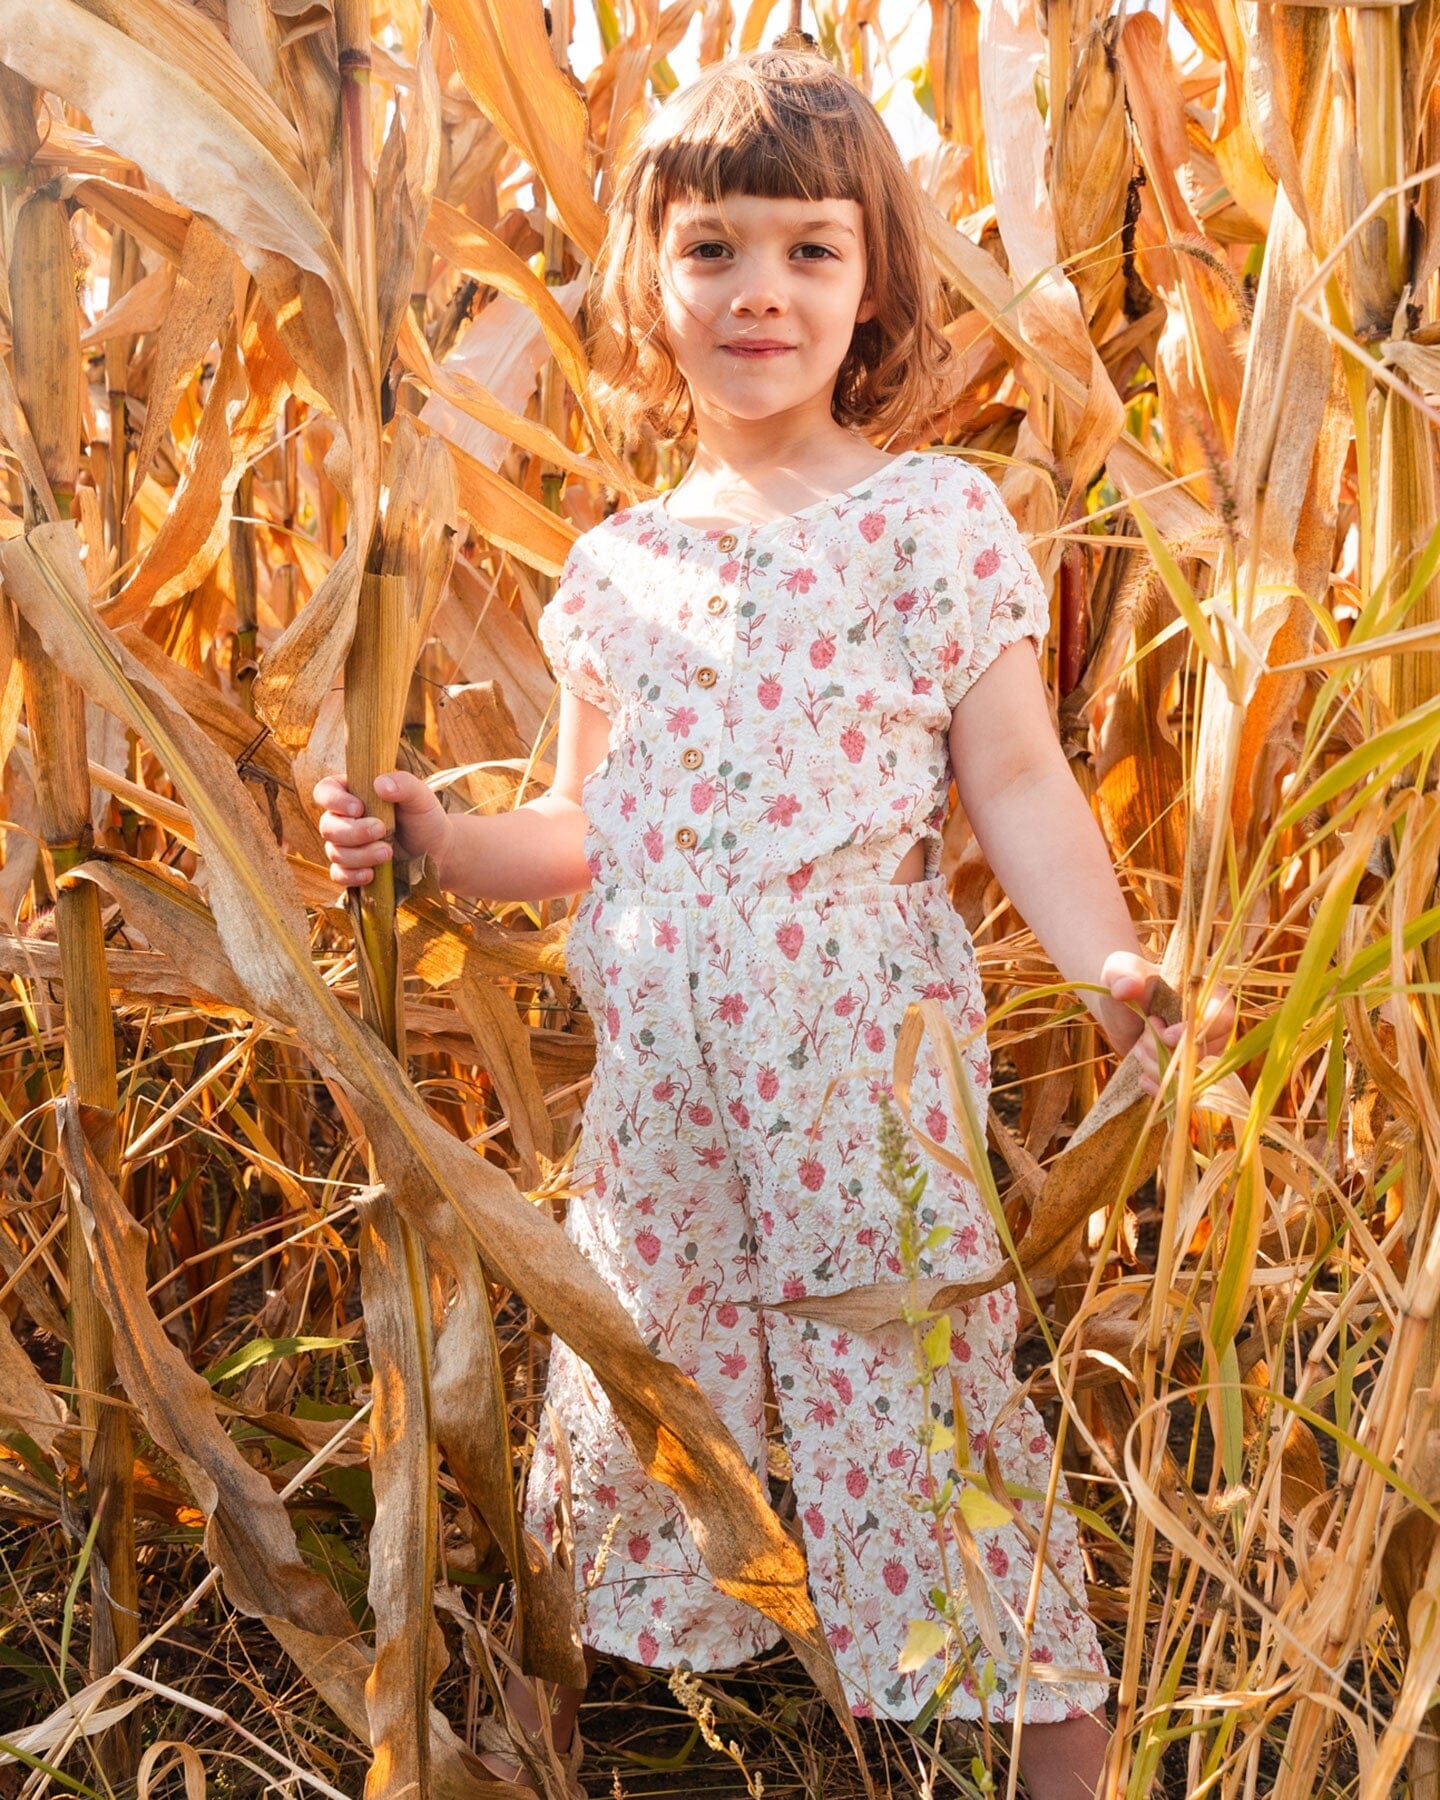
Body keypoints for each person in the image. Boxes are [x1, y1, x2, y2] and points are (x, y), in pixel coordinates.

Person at [315, 45, 1233, 1800]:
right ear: (650, 278)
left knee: (913, 1383)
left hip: (847, 1054)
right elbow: (595, 831)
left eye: (811, 249)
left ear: (873, 275)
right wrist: (440, 838)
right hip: (662, 1080)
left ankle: (1062, 1762)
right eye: (715, 247)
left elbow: (1019, 784)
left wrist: (1107, 961)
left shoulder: (928, 521)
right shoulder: (618, 565)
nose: (762, 291)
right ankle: (640, 1743)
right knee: (658, 1389)